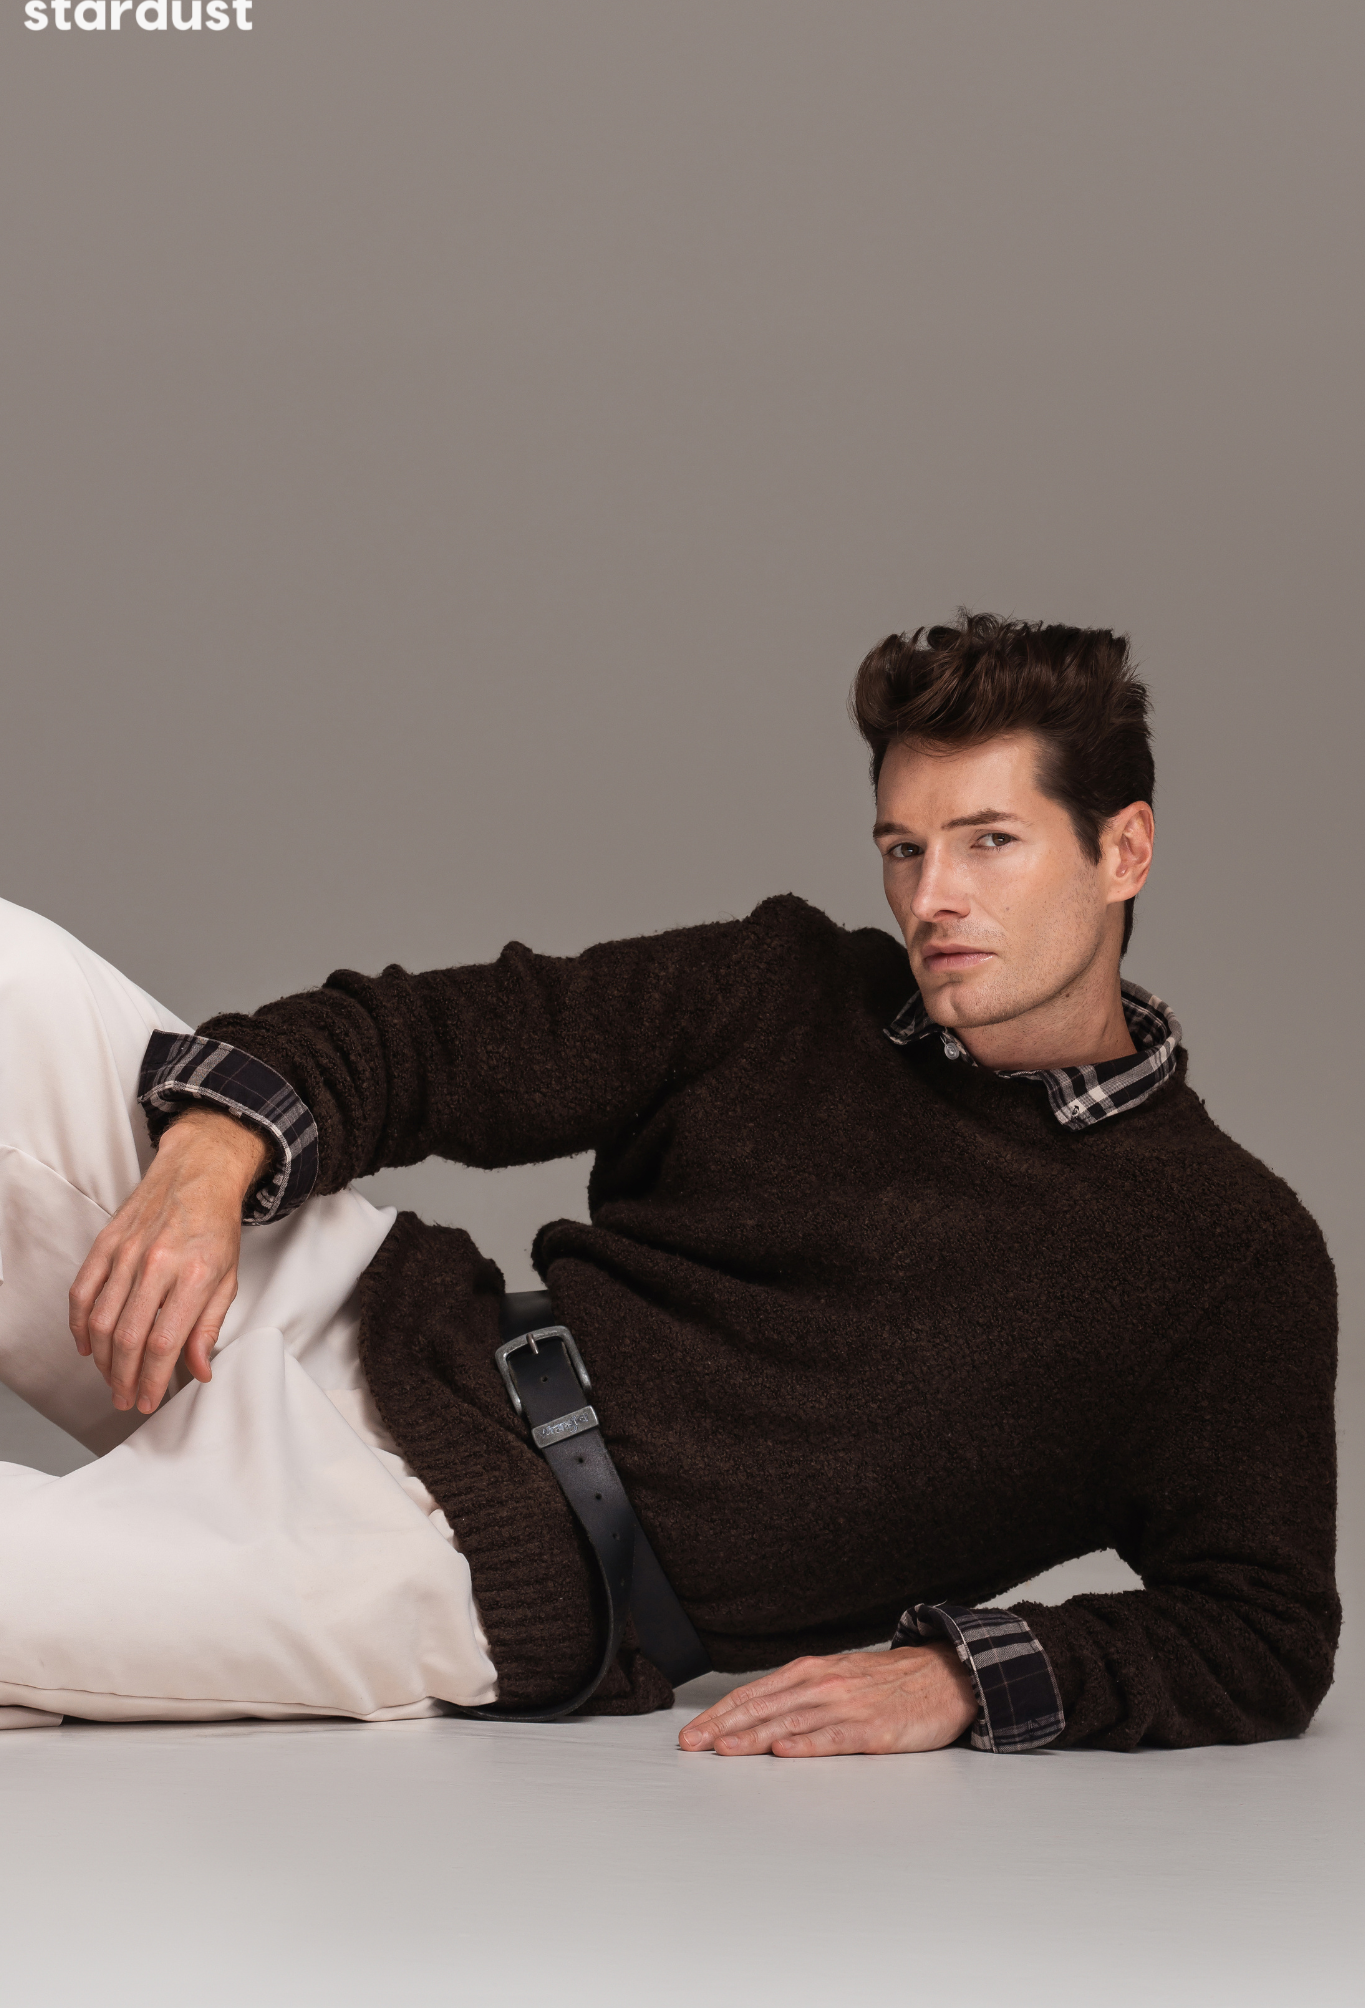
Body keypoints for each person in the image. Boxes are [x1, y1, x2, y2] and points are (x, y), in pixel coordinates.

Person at [0, 614, 1338, 1753]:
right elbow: (438, 1038)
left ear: (1124, 851)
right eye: (903, 847)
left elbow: (1262, 1628)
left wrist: (956, 1678)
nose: (933, 896)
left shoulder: (1226, 1255)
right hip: (375, 1323)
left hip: (457, 1568)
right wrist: (211, 1157)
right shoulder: (788, 984)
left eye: (990, 841)